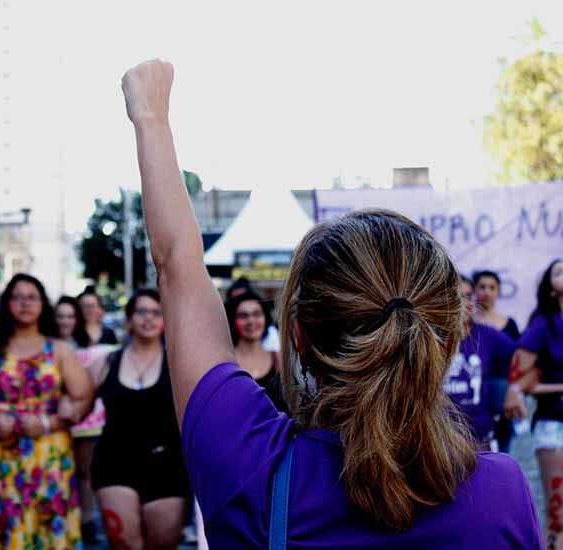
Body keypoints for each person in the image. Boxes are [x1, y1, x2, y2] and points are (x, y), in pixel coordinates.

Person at [121, 59, 541, 548]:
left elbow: (179, 267)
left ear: (298, 334)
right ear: (447, 338)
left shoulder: (246, 461)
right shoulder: (500, 493)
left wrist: (150, 116)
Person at [0, 274, 93, 550]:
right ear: (7, 304)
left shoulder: (60, 351)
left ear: (43, 304)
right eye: (17, 297)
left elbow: (84, 400)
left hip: (47, 457)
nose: (24, 303)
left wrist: (47, 422)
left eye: (32, 297)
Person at [91, 288, 190, 549]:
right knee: (125, 543)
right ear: (129, 319)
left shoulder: (180, 363)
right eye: (141, 312)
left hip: (166, 466)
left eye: (157, 312)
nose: (149, 318)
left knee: (162, 544)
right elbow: (76, 404)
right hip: (114, 463)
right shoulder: (106, 362)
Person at [505, 259, 563, 548]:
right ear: (551, 289)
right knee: (559, 511)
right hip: (555, 425)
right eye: (559, 271)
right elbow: (519, 382)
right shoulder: (544, 325)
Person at [56, 295, 112, 543]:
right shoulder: (45, 343)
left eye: (70, 316)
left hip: (86, 418)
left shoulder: (88, 344)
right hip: (53, 418)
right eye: (60, 316)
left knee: (85, 470)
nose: (65, 321)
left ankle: (86, 520)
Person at [446, 276, 514, 450]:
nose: (466, 303)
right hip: (440, 441)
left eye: (469, 296)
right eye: (458, 296)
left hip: (480, 437)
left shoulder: (487, 334)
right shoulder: (430, 337)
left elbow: (524, 355)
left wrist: (515, 390)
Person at [225, 289, 288, 414]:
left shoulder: (279, 360)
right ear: (233, 321)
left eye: (257, 314)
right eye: (243, 315)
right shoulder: (226, 362)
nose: (251, 321)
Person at [473, 270, 521, 340]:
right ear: (475, 290)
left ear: (498, 291)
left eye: (492, 288)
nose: (487, 293)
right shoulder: (468, 322)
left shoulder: (510, 324)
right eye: (482, 287)